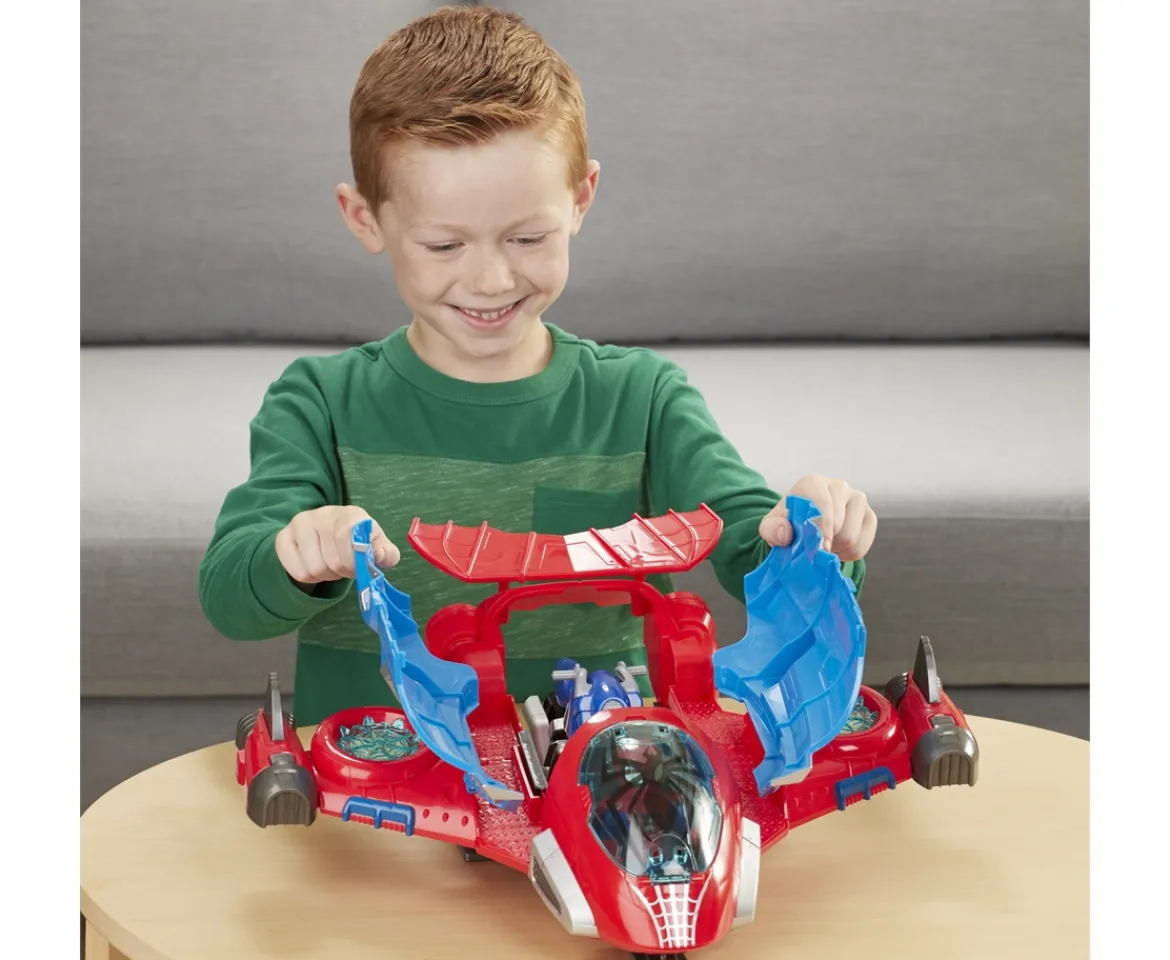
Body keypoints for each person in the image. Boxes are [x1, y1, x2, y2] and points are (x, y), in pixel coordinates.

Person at [197, 5, 878, 726]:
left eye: (527, 238)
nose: (491, 280)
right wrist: (294, 555)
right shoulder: (317, 403)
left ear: (581, 200)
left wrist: (814, 540)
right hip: (381, 780)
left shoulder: (644, 399)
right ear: (365, 218)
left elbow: (758, 554)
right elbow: (229, 597)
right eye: (444, 246)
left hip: (605, 780)